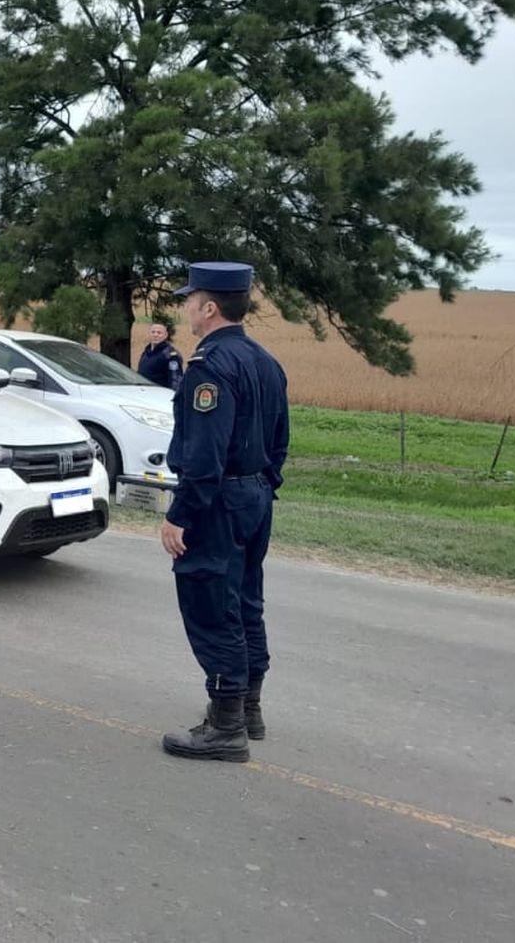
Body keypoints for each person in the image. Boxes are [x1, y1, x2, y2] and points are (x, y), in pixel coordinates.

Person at [158, 262, 290, 763]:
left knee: (213, 601)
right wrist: (262, 484)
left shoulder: (210, 366)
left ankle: (226, 724)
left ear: (209, 307)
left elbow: (204, 456)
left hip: (218, 501)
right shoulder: (264, 361)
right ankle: (249, 707)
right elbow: (279, 443)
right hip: (254, 495)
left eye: (189, 299)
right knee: (245, 598)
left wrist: (180, 514)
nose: (185, 307)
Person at [138, 319, 184, 391]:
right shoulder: (146, 352)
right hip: (144, 394)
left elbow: (175, 380)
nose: (155, 335)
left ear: (166, 335)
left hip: (160, 396)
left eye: (159, 333)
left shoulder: (170, 355)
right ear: (149, 334)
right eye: (153, 332)